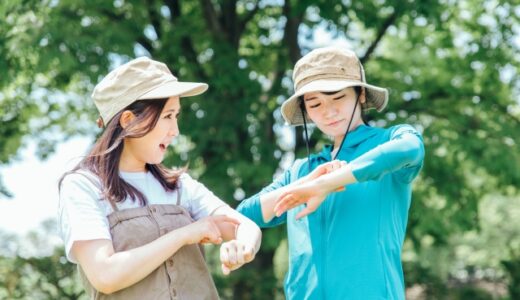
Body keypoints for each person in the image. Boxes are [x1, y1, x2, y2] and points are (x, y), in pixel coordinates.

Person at [58, 57, 262, 299]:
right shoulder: (83, 186)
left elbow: (244, 226)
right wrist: (184, 234)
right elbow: (105, 275)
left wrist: (244, 246)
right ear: (128, 121)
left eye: (176, 116)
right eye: (167, 116)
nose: (175, 130)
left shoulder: (180, 186)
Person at [237, 47, 425, 299]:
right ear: (305, 110)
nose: (328, 111)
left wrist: (325, 184)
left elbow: (410, 148)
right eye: (315, 104)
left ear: (360, 95)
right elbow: (243, 215)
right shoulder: (301, 171)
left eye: (337, 98)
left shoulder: (388, 140)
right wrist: (306, 184)